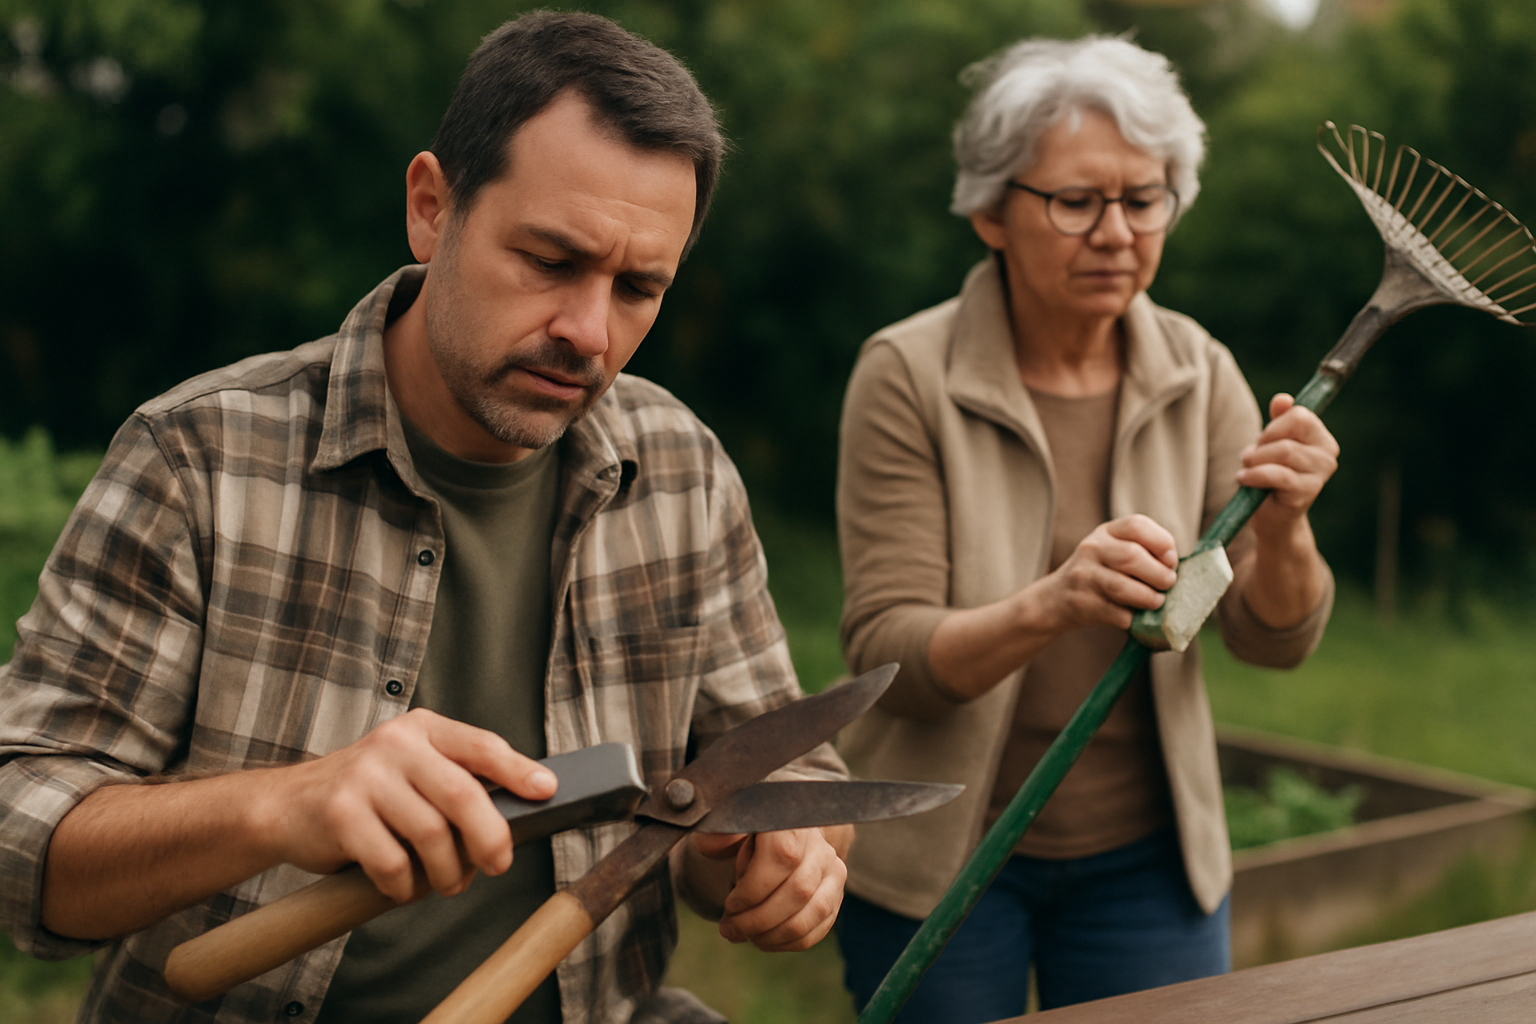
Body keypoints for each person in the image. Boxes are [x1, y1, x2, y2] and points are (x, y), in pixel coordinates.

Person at [0, 12, 852, 1024]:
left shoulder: (681, 470)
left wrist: (775, 854)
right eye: (550, 259)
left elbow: (772, 765)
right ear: (431, 208)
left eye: (637, 288)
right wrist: (281, 805)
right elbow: (20, 844)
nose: (589, 332)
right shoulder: (201, 459)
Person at [833, 35, 1338, 1021]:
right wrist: (1055, 602)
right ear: (990, 211)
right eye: (1076, 201)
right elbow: (889, 654)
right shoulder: (907, 374)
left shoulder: (1198, 369)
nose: (1116, 232)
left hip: (1147, 863)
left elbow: (1273, 641)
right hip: (944, 860)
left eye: (1144, 198)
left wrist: (1286, 531)